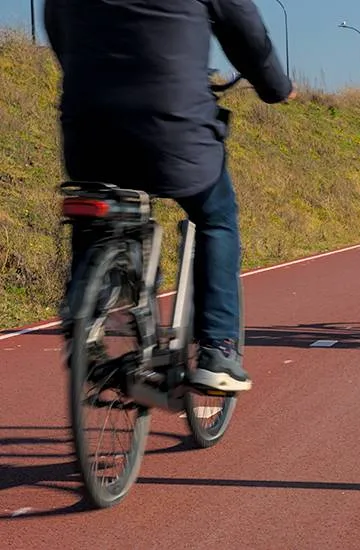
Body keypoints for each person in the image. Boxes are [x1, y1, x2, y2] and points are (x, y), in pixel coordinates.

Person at [45, 0, 295, 392]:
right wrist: (277, 86)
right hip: (171, 123)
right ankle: (217, 348)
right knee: (215, 216)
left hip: (87, 123)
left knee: (94, 209)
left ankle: (84, 321)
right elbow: (244, 28)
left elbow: (58, 26)